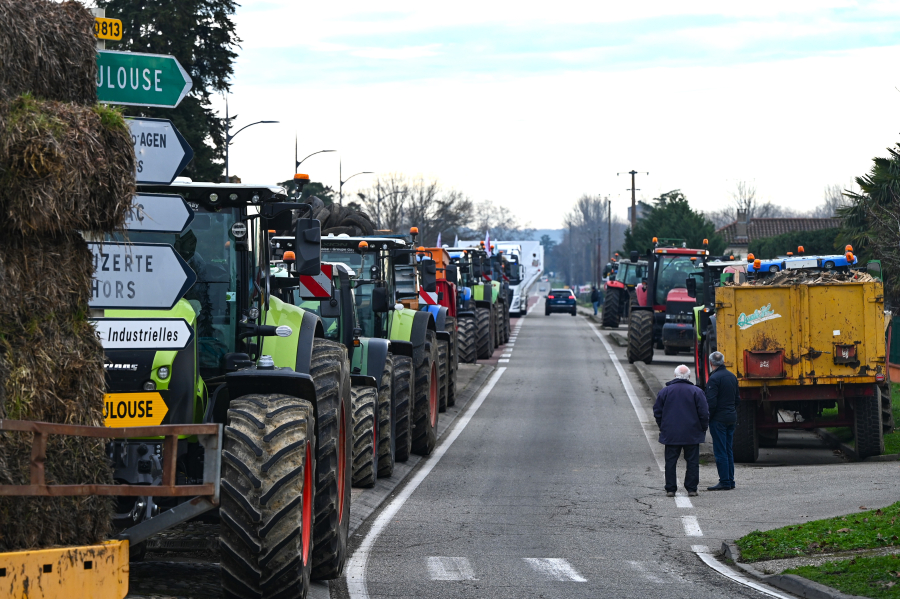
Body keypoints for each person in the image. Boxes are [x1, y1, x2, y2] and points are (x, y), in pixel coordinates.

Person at [653, 365, 709, 497]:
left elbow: (657, 412)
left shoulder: (665, 391)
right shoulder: (697, 391)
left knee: (671, 461)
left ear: (675, 376)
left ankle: (671, 489)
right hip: (692, 432)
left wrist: (663, 426)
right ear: (689, 377)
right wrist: (702, 428)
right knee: (692, 461)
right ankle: (691, 488)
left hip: (671, 433)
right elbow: (704, 413)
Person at [705, 351, 740, 491]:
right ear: (723, 361)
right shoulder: (732, 377)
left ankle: (724, 481)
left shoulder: (714, 379)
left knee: (720, 451)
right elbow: (737, 399)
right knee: (728, 449)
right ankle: (730, 480)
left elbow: (711, 402)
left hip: (718, 419)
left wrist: (708, 417)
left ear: (711, 363)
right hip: (731, 417)